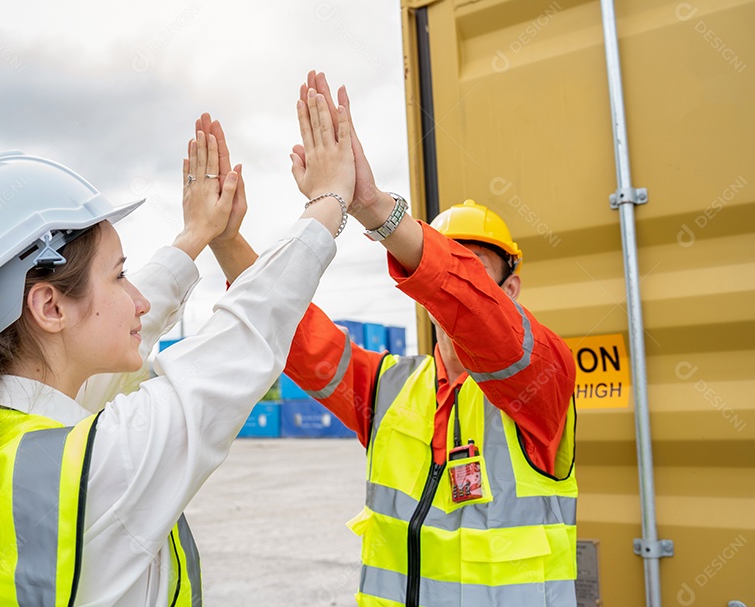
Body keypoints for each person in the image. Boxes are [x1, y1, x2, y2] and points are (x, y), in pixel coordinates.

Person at [0, 97, 355, 606]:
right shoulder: (103, 463)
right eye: (119, 276)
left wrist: (196, 236)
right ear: (49, 306)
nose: (137, 300)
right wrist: (328, 203)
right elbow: (243, 336)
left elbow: (122, 330)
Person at [209, 71, 578, 607]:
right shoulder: (390, 389)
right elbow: (290, 327)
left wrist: (373, 207)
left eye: (475, 269)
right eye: (451, 262)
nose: (461, 280)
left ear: (510, 289)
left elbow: (484, 320)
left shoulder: (541, 382)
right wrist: (225, 239)